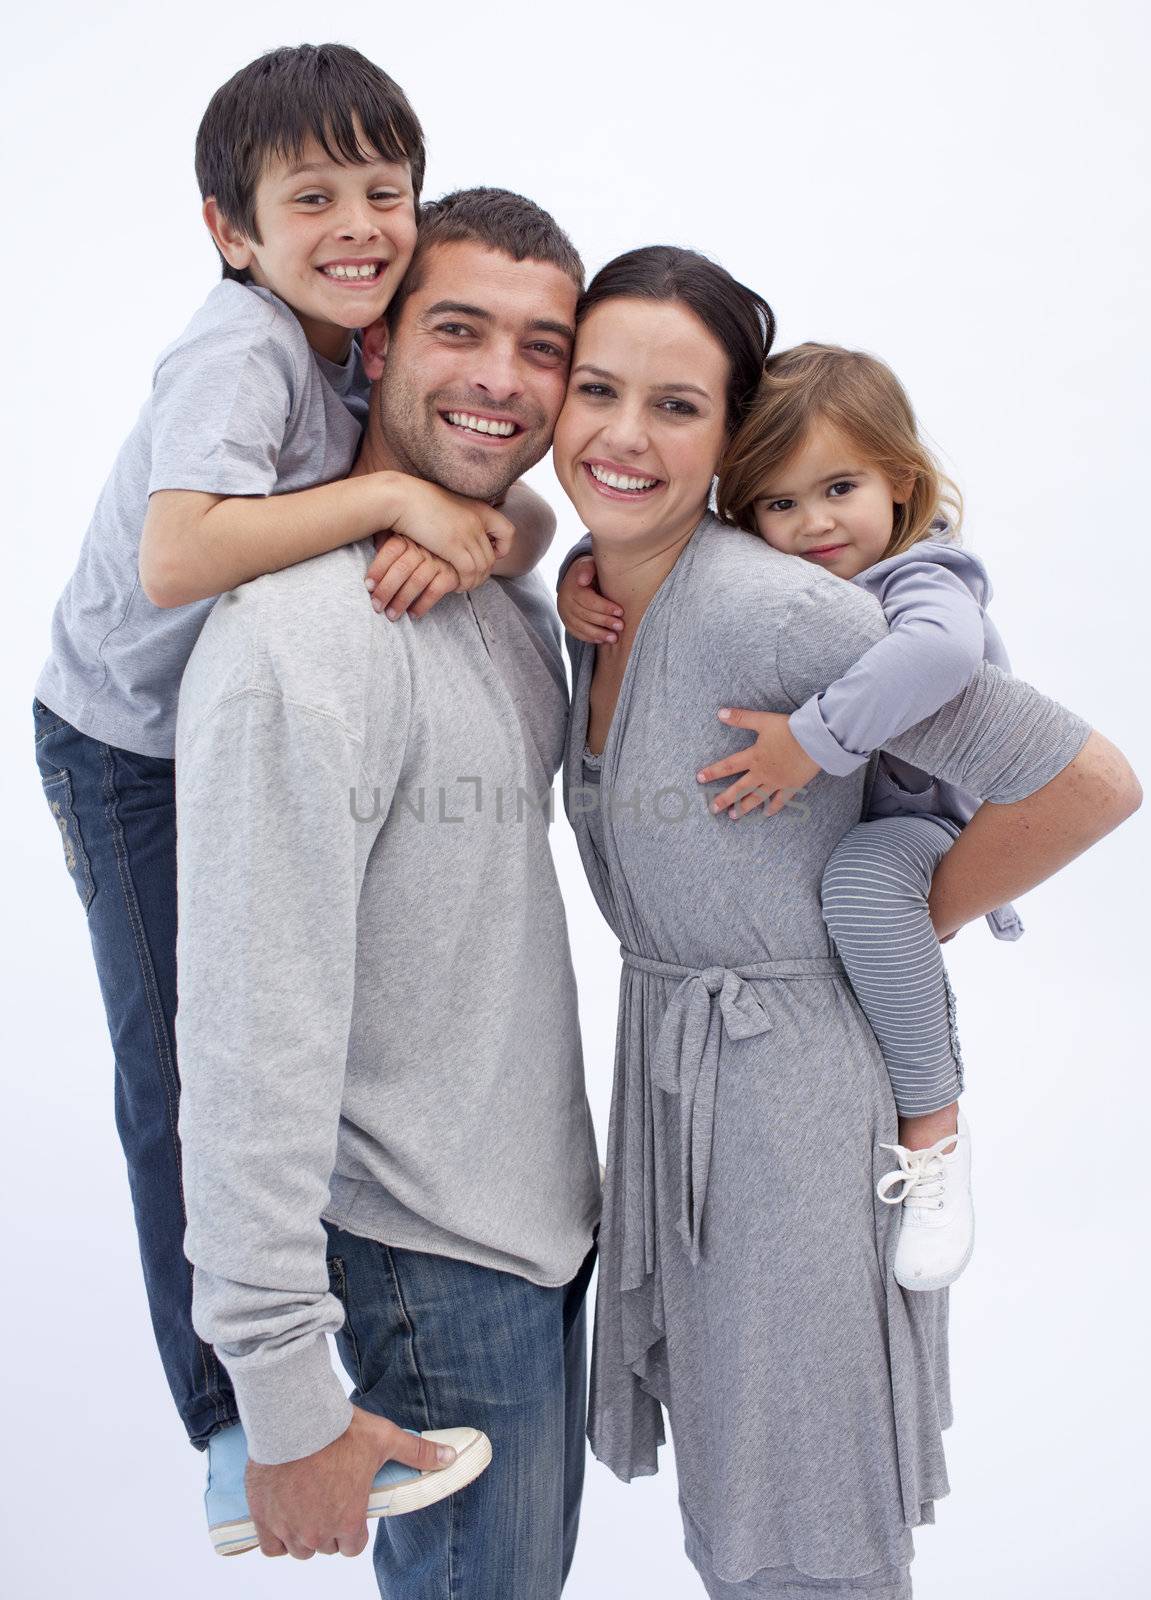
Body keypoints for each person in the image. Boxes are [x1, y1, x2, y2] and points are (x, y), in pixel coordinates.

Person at [547, 245, 1139, 1598]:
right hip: (685, 1075)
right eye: (596, 388)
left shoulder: (779, 608)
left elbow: (1086, 785)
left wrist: (880, 919)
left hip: (791, 1100)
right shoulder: (604, 596)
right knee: (742, 1486)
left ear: (721, 433)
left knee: (802, 1508)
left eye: (678, 405)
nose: (625, 435)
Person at [30, 40, 553, 1508]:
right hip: (122, 745)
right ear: (230, 231)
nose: (357, 227)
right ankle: (231, 1425)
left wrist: (470, 530)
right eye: (309, 196)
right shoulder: (236, 347)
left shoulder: (362, 338)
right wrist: (383, 496)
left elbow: (503, 504)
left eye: (384, 192)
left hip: (214, 722)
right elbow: (181, 550)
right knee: (180, 1053)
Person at [175, 189, 601, 1597]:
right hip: (422, 1261)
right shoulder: (300, 634)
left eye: (542, 348)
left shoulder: (489, 589)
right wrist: (284, 1393)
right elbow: (248, 1027)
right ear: (375, 343)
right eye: (457, 329)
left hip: (531, 1233)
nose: (500, 379)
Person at [561, 340, 1009, 1295]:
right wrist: (577, 571)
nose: (813, 524)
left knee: (856, 880)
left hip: (927, 822)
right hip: (832, 863)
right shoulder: (779, 588)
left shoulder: (920, 578)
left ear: (900, 480)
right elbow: (649, 541)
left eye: (839, 488)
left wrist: (810, 741)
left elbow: (940, 658)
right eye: (778, 503)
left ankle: (934, 1127)